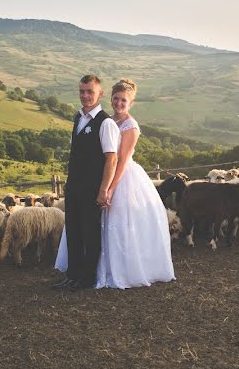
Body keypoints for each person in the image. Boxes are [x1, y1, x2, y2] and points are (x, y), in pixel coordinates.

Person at [95, 79, 175, 289]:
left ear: (131, 103)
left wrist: (111, 188)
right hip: (107, 173)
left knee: (123, 224)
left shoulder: (131, 126)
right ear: (110, 98)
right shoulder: (109, 120)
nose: (119, 103)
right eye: (116, 98)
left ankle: (125, 270)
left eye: (124, 100)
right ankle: (106, 266)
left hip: (124, 178)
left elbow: (122, 160)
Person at [53, 74, 119, 288]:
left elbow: (111, 158)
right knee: (73, 230)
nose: (85, 95)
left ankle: (87, 279)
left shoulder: (106, 123)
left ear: (100, 93)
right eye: (82, 91)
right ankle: (72, 276)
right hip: (74, 186)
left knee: (90, 233)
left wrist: (103, 190)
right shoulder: (78, 118)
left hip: (92, 187)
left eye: (90, 91)